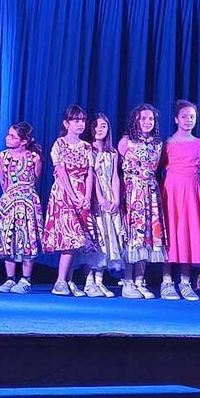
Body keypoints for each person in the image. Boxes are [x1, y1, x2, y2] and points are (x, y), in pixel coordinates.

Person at [161, 100, 200, 300]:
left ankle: (185, 282)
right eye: (184, 116)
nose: (188, 120)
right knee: (170, 233)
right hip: (172, 192)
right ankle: (166, 281)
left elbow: (199, 169)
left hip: (192, 193)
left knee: (188, 233)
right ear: (176, 119)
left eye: (192, 116)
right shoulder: (168, 143)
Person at [41, 105, 97, 296]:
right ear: (66, 123)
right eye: (76, 120)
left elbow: (89, 173)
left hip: (81, 193)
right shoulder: (59, 144)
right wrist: (72, 195)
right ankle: (60, 281)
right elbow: (61, 172)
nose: (80, 124)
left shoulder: (86, 147)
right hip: (64, 193)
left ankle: (68, 280)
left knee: (78, 240)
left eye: (83, 120)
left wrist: (87, 196)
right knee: (70, 238)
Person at [118, 103, 168, 299]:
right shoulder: (126, 142)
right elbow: (118, 169)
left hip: (150, 192)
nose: (147, 122)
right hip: (133, 193)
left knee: (147, 236)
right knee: (133, 236)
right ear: (135, 121)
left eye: (151, 119)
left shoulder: (158, 144)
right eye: (143, 118)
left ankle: (140, 281)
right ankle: (127, 281)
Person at [0, 122, 44, 294]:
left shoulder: (34, 158)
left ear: (24, 141)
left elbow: (34, 180)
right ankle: (10, 278)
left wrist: (24, 197)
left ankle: (26, 279)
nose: (7, 138)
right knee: (8, 238)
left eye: (12, 136)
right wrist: (11, 198)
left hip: (28, 203)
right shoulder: (1, 157)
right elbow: (3, 182)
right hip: (9, 202)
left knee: (27, 240)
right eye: (8, 135)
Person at [82, 113, 125, 297]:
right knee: (95, 238)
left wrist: (116, 200)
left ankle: (99, 281)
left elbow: (115, 177)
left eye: (103, 126)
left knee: (108, 239)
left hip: (109, 198)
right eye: (96, 126)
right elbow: (91, 176)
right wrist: (100, 199)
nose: (99, 130)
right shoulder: (87, 149)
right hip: (94, 198)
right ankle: (88, 281)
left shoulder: (112, 152)